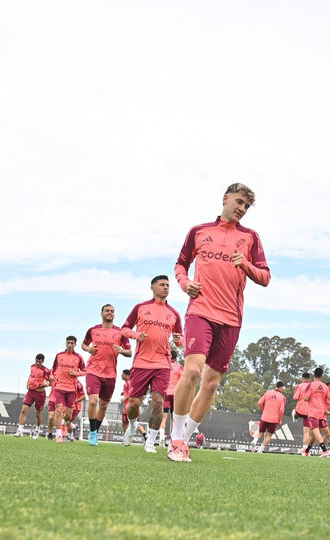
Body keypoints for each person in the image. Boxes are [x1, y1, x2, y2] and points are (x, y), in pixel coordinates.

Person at [168, 183, 271, 463]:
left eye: (246, 206)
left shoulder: (251, 237)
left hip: (231, 318)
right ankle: (175, 437)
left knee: (211, 385)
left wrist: (246, 265)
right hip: (200, 312)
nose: (241, 208)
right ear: (225, 199)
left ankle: (186, 438)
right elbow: (180, 264)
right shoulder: (199, 231)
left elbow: (265, 277)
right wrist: (185, 282)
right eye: (238, 202)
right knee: (191, 372)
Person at [120, 275, 183, 453]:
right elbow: (124, 329)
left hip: (163, 364)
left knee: (158, 402)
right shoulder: (140, 308)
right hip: (141, 363)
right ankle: (133, 425)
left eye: (168, 285)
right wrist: (135, 335)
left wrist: (179, 340)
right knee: (133, 404)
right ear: (152, 288)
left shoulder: (174, 313)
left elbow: (180, 340)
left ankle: (150, 442)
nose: (165, 287)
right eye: (162, 285)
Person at [82, 304, 132, 446]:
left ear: (114, 314)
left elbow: (130, 353)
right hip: (93, 370)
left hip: (110, 374)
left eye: (112, 311)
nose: (110, 313)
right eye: (107, 311)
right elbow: (84, 344)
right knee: (93, 401)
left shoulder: (120, 332)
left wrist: (121, 350)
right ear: (101, 313)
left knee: (103, 406)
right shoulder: (93, 330)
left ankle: (95, 432)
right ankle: (92, 433)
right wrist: (88, 348)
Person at [50, 336, 86, 443]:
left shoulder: (78, 357)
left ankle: (71, 430)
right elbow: (53, 369)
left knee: (67, 417)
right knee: (58, 409)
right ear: (65, 343)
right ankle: (59, 435)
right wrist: (52, 376)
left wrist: (76, 373)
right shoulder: (59, 355)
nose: (70, 345)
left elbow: (85, 370)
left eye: (72, 343)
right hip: (59, 387)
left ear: (75, 344)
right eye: (68, 342)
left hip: (71, 389)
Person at [15, 354, 53, 439]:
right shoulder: (32, 366)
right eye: (36, 361)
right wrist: (27, 382)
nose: (37, 363)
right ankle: (20, 430)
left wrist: (45, 384)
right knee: (24, 410)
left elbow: (50, 382)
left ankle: (37, 431)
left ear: (42, 362)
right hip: (31, 392)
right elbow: (30, 375)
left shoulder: (46, 370)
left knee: (38, 413)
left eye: (39, 362)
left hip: (40, 394)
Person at [302, 367, 330, 457]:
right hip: (321, 413)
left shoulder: (310, 385)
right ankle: (307, 451)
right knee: (317, 433)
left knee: (316, 432)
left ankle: (324, 450)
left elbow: (306, 398)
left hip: (313, 412)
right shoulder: (325, 387)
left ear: (314, 375)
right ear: (322, 376)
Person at [252, 381, 286, 453]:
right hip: (274, 419)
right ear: (282, 387)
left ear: (275, 386)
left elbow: (260, 403)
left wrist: (264, 410)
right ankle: (260, 450)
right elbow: (282, 410)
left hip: (264, 417)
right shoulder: (282, 397)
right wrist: (279, 419)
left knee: (260, 433)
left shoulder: (268, 393)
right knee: (269, 435)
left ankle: (254, 441)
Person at [159, 350, 184, 447]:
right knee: (174, 418)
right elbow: (183, 378)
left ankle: (161, 437)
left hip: (165, 394)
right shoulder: (179, 367)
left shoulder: (164, 367)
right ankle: (172, 440)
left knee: (164, 417)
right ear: (176, 358)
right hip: (176, 394)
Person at [120, 369, 147, 442]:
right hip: (135, 407)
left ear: (127, 375)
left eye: (122, 374)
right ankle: (144, 433)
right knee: (134, 423)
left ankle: (126, 439)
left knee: (125, 423)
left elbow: (131, 393)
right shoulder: (131, 383)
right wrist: (124, 393)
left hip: (128, 407)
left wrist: (124, 399)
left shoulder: (128, 383)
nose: (121, 376)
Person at [292, 373, 312, 454]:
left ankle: (295, 414)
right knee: (307, 432)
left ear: (302, 378)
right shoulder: (312, 386)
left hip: (300, 410)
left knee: (297, 412)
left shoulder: (299, 386)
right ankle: (305, 450)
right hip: (310, 411)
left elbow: (295, 397)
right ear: (309, 378)